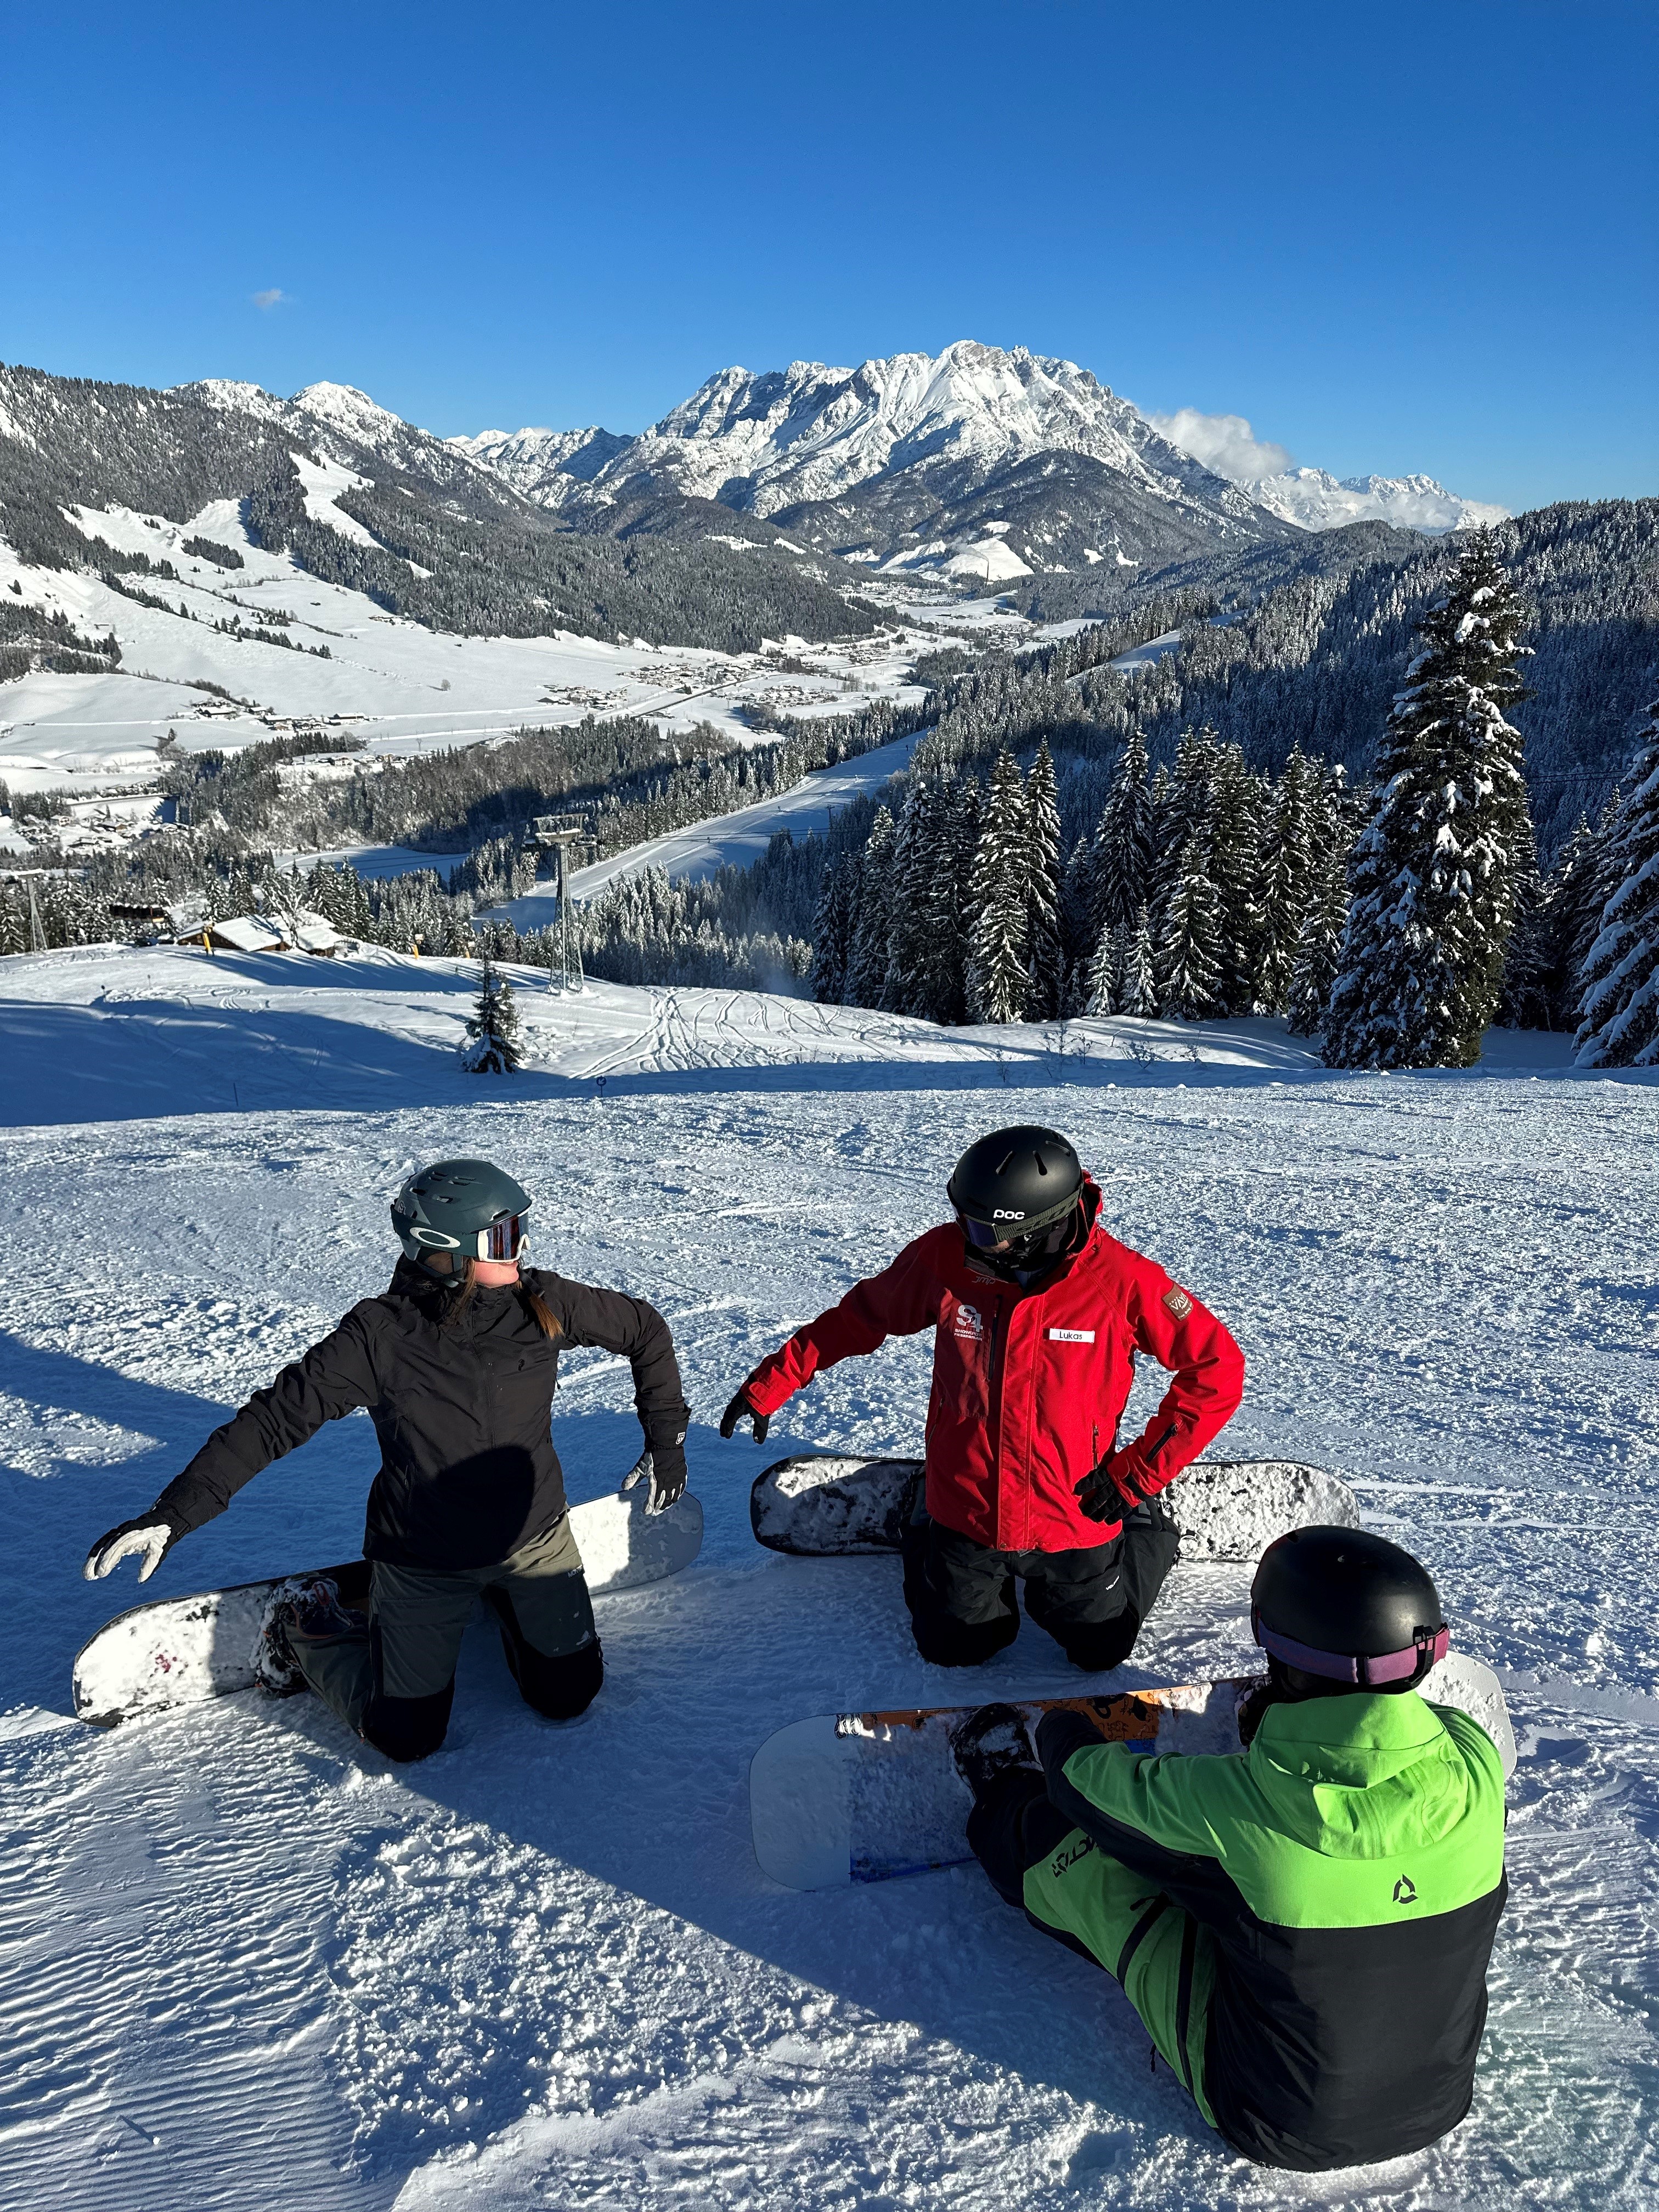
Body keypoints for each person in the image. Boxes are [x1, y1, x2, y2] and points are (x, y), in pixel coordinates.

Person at [84, 1158, 691, 1761]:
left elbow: (644, 1330)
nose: (522, 1248)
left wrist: (665, 1441)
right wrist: (176, 1512)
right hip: (424, 1557)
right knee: (406, 1736)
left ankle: (508, 1600)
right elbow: (273, 1420)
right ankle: (303, 1623)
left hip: (533, 1538)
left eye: (520, 1230)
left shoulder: (543, 1302)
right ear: (446, 1253)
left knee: (568, 1696)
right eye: (503, 1239)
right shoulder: (380, 1336)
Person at [952, 1526, 1509, 2171]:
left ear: (1287, 1661)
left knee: (1096, 1874)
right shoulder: (1475, 1761)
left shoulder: (1236, 1806)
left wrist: (1061, 1730)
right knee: (1256, 1911)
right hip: (1438, 2103)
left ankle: (1002, 1798)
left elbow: (1091, 1790)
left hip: (1272, 2120)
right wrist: (1281, 1723)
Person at [720, 1125, 1244, 1671]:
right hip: (967, 1504)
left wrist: (1135, 1476)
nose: (964, 1234)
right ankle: (923, 1510)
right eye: (963, 1217)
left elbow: (1217, 1368)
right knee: (954, 1648)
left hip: (1073, 1509)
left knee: (1100, 1651)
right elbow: (862, 1317)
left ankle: (1145, 1523)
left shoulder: (1121, 1281)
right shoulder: (946, 1258)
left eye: (980, 1227)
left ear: (1037, 1227)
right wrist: (773, 1382)